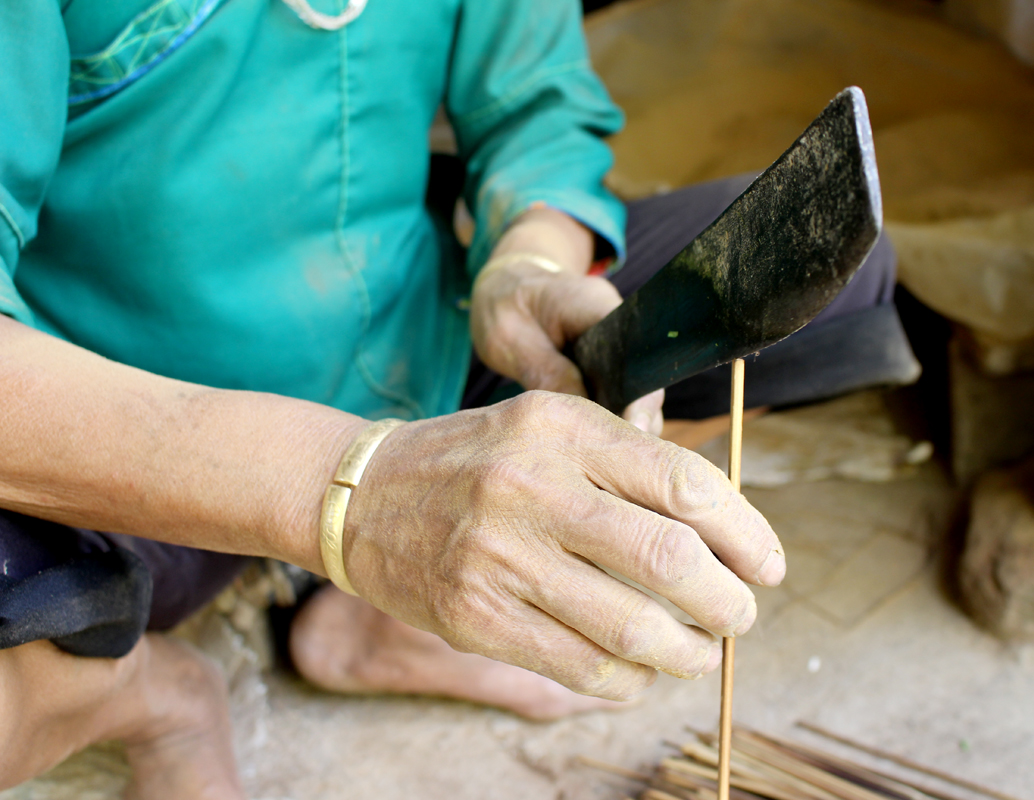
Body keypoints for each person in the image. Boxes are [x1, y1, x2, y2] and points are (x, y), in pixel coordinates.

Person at [0, 0, 914, 796]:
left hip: (415, 358)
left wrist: (528, 261)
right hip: (126, 439)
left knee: (832, 279)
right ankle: (160, 702)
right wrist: (356, 498)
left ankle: (369, 616)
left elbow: (538, 108)